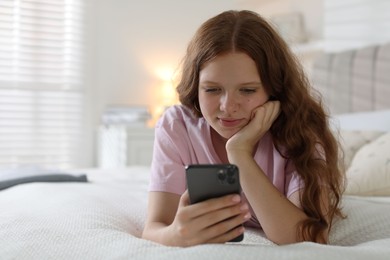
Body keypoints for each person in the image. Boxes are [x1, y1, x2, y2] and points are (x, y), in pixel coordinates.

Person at [141, 10, 344, 246]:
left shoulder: (301, 128)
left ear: (273, 89)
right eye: (212, 89)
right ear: (196, 87)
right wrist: (176, 234)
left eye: (247, 90)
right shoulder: (177, 125)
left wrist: (239, 152)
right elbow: (154, 228)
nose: (227, 107)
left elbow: (310, 239)